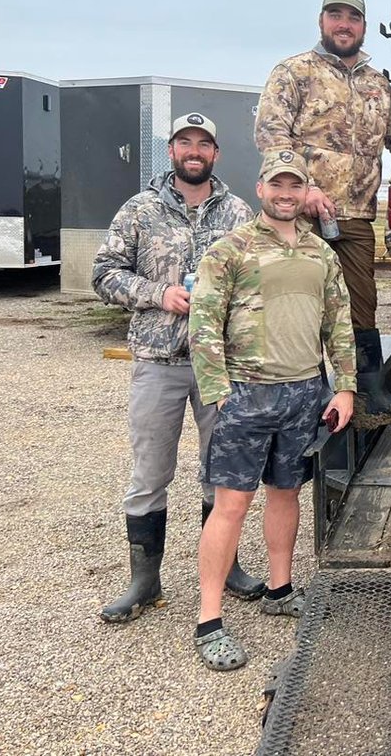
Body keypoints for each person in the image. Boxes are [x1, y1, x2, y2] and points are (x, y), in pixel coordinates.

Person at [188, 149, 358, 671]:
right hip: (246, 394)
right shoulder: (230, 249)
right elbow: (203, 323)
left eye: (295, 185)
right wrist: (219, 393)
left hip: (304, 392)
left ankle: (280, 589)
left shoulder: (320, 253)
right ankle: (209, 619)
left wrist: (345, 386)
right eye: (276, 184)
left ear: (305, 193)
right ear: (260, 189)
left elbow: (339, 320)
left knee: (286, 494)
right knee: (231, 505)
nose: (286, 194)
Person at [91, 112, 263, 624]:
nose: (194, 151)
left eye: (204, 144)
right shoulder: (140, 211)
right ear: (171, 151)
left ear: (216, 154)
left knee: (222, 474)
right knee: (149, 474)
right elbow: (103, 274)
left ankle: (226, 566)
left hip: (220, 368)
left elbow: (256, 281)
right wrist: (157, 293)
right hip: (158, 362)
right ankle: (145, 581)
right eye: (185, 143)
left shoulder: (237, 213)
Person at [254, 0, 391, 383]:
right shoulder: (294, 72)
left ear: (362, 26)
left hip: (356, 217)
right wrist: (303, 189)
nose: (344, 24)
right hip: (299, 217)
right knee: (298, 303)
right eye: (336, 15)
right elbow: (271, 136)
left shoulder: (377, 83)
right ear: (321, 21)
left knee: (361, 306)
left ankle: (367, 391)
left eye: (353, 17)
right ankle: (301, 390)